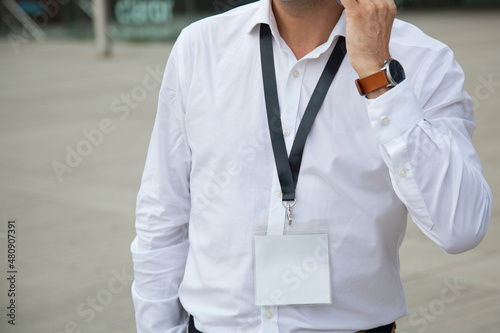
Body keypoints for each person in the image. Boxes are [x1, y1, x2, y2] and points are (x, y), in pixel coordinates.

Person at [131, 0, 492, 332]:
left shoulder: (422, 60)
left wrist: (379, 74)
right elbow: (162, 215)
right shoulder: (199, 47)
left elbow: (461, 227)